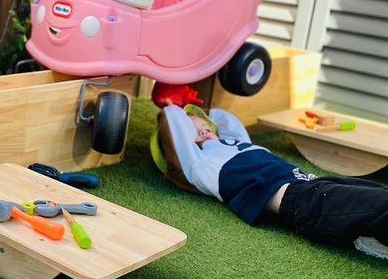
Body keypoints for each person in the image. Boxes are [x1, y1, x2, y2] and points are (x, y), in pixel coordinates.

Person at [157, 105, 388, 259]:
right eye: (194, 130)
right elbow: (172, 119)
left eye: (205, 126)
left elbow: (225, 118)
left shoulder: (236, 144)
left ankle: (371, 236)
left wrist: (201, 113)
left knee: (378, 192)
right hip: (301, 201)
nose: (204, 130)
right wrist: (178, 109)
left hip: (314, 183)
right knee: (380, 203)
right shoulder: (199, 164)